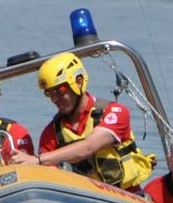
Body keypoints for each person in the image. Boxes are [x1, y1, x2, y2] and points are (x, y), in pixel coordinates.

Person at [9, 51, 155, 191]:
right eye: (49, 94)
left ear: (78, 82)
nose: (54, 99)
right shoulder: (51, 134)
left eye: (59, 92)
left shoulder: (114, 112)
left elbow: (89, 146)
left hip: (126, 196)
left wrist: (38, 160)